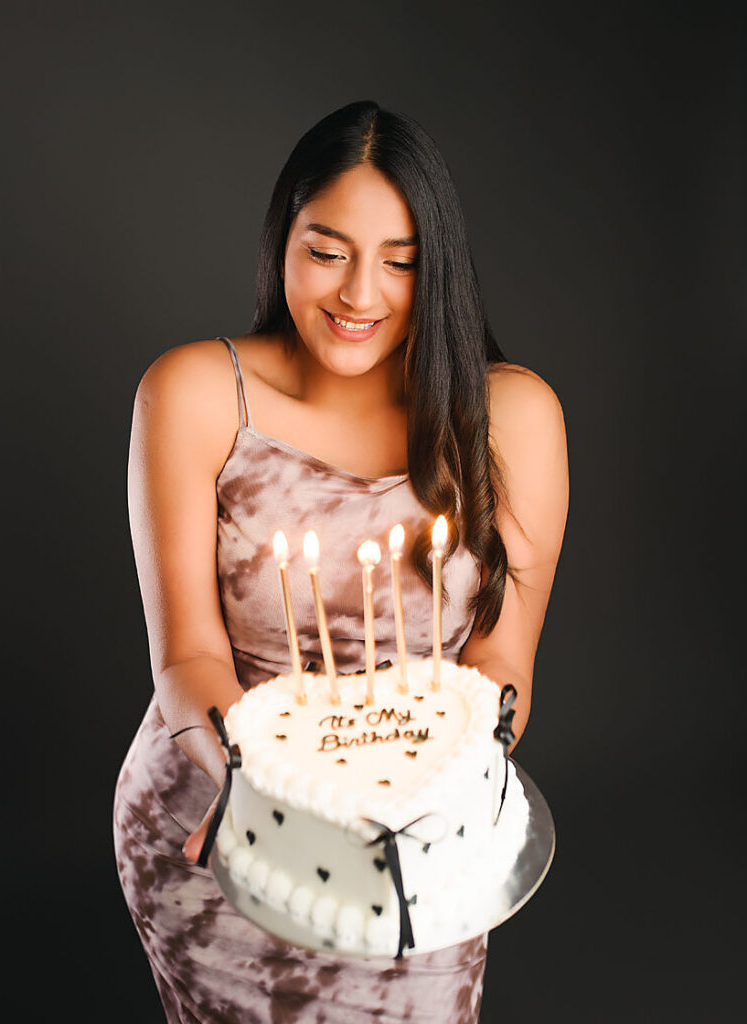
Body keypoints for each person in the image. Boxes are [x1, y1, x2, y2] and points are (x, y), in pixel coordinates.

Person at [114, 99, 569, 1024]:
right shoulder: (196, 393)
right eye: (328, 251)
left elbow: (500, 663)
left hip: (417, 849)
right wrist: (259, 800)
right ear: (283, 235)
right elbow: (186, 658)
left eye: (401, 263)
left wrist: (420, 803)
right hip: (216, 829)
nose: (361, 295)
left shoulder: (512, 416)